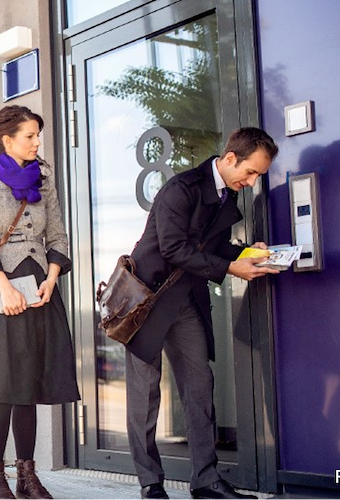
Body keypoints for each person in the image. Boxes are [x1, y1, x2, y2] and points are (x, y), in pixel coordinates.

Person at [124, 127, 279, 500]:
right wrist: (230, 269)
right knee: (144, 397)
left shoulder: (227, 196)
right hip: (148, 302)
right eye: (251, 172)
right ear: (229, 159)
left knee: (199, 389)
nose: (252, 181)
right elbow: (174, 248)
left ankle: (206, 480)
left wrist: (245, 254)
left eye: (258, 175)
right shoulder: (182, 188)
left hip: (187, 302)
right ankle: (150, 482)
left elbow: (217, 245)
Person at [0, 105, 80, 500]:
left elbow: (59, 238)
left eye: (37, 136)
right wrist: (4, 286)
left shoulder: (44, 182)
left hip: (42, 293)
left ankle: (27, 477)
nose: (36, 143)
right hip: (2, 291)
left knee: (29, 386)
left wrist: (51, 279)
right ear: (7, 139)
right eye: (29, 136)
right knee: (4, 386)